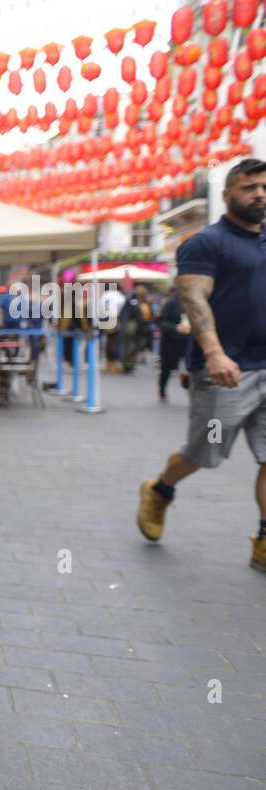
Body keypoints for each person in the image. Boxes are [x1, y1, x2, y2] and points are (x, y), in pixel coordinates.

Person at [136, 157, 266, 572]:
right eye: (248, 187)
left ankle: (264, 541)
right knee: (203, 453)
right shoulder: (206, 242)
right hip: (225, 372)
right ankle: (160, 489)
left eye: (263, 186)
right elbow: (194, 300)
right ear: (227, 195)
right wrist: (213, 352)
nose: (259, 193)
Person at [156, 286, 191, 401]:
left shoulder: (194, 303)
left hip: (188, 341)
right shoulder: (170, 303)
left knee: (192, 366)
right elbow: (162, 323)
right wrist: (176, 328)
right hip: (170, 342)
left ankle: (188, 386)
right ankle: (162, 389)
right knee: (166, 368)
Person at [118, 283, 156, 373]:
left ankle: (131, 364)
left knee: (136, 346)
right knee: (129, 346)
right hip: (132, 327)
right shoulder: (132, 301)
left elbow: (151, 314)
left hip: (143, 327)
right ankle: (127, 365)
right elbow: (125, 314)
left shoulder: (147, 302)